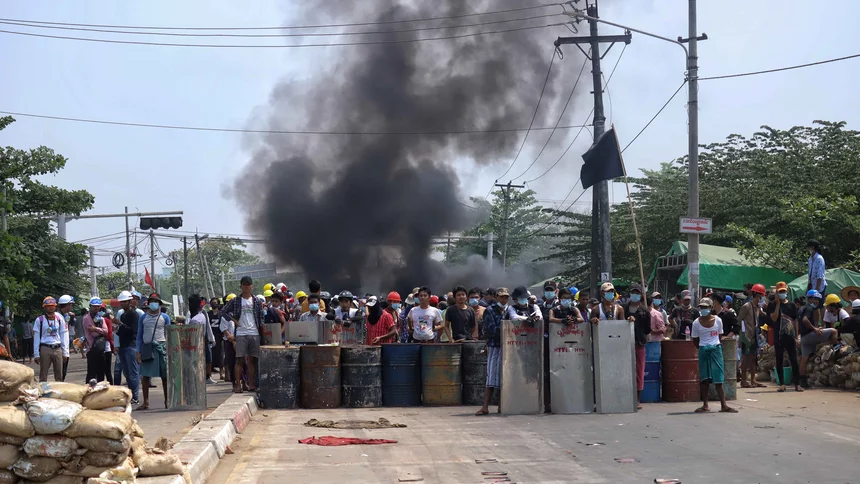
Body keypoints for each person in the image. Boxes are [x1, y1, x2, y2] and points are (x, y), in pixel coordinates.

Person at [692, 298, 737, 413]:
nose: (703, 309)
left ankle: (724, 405)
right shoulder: (696, 323)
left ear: (711, 308)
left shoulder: (718, 321)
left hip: (716, 349)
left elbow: (719, 336)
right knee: (705, 379)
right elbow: (695, 340)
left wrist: (713, 346)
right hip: (703, 350)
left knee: (719, 379)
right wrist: (704, 347)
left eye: (706, 307)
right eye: (702, 307)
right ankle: (705, 405)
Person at [220, 277, 264, 394]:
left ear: (252, 286)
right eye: (244, 285)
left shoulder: (257, 301)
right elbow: (223, 312)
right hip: (240, 333)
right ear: (241, 286)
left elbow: (261, 318)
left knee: (252, 360)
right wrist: (233, 320)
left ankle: (251, 384)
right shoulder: (235, 301)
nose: (246, 287)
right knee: (239, 360)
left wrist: (262, 332)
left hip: (254, 332)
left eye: (248, 284)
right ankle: (238, 385)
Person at [136, 293, 171, 410]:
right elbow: (139, 335)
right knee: (145, 376)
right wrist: (138, 351)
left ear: (159, 304)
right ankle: (145, 402)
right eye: (151, 302)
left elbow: (169, 334)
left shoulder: (165, 317)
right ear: (148, 303)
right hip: (147, 348)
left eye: (156, 302)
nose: (153, 304)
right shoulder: (143, 317)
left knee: (165, 376)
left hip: (161, 348)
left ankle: (167, 401)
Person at [798, 290, 838, 389]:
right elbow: (805, 320)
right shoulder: (809, 308)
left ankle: (802, 381)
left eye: (817, 300)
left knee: (804, 358)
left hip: (803, 337)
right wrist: (815, 329)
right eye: (814, 299)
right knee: (834, 331)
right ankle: (830, 346)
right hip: (809, 336)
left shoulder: (801, 308)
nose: (816, 301)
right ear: (809, 299)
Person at [767, 282, 802, 392]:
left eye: (784, 291)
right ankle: (781, 384)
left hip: (790, 336)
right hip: (779, 336)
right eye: (780, 291)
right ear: (777, 293)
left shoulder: (791, 305)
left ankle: (797, 384)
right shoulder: (772, 304)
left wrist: (796, 336)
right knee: (779, 359)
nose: (782, 293)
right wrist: (777, 304)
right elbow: (773, 318)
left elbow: (795, 321)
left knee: (794, 360)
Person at [476, 288, 506, 416]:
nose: (504, 300)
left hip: (506, 347)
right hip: (495, 346)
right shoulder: (490, 310)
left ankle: (501, 406)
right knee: (491, 375)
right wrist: (507, 327)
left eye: (506, 297)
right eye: (501, 297)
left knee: (502, 377)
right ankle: (485, 406)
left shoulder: (508, 310)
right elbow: (491, 330)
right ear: (496, 297)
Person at [622, 284, 651, 410]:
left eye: (637, 293)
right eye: (633, 292)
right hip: (624, 343)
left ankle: (637, 399)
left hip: (639, 343)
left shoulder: (644, 311)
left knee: (639, 371)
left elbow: (647, 329)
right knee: (624, 370)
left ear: (640, 295)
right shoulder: (623, 309)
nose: (635, 295)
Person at [737, 284, 767, 388]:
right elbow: (739, 321)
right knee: (746, 358)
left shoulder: (757, 307)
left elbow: (764, 315)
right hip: (746, 335)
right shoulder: (746, 307)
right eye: (761, 296)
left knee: (754, 357)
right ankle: (744, 380)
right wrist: (740, 338)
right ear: (757, 295)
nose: (762, 298)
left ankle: (753, 380)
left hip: (754, 335)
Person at [115, 291, 141, 405]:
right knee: (126, 372)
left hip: (131, 346)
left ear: (130, 302)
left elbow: (133, 331)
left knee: (133, 372)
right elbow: (122, 332)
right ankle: (130, 395)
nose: (123, 304)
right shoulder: (123, 315)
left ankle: (135, 397)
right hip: (123, 346)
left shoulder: (134, 314)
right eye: (121, 302)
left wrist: (120, 324)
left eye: (125, 302)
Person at [82, 298, 113, 384]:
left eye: (98, 307)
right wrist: (100, 331)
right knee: (91, 373)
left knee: (101, 373)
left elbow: (106, 331)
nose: (96, 308)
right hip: (91, 348)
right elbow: (92, 333)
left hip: (101, 348)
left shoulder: (101, 318)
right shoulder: (86, 318)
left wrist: (95, 328)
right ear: (90, 306)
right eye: (94, 306)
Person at [188, 294, 217, 384]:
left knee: (208, 359)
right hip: (195, 340)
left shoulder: (203, 313)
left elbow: (208, 326)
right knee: (197, 359)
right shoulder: (191, 315)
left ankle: (208, 376)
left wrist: (212, 338)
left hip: (205, 338)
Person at [220, 294, 238, 388]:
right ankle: (234, 383)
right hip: (229, 341)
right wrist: (232, 340)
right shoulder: (225, 316)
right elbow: (224, 329)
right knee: (231, 362)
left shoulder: (239, 313)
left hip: (240, 339)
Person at [208, 297, 224, 380]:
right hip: (211, 336)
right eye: (212, 302)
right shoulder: (208, 314)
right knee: (211, 355)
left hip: (219, 336)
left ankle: (221, 374)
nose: (214, 304)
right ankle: (209, 374)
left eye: (215, 302)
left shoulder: (221, 314)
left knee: (220, 355)